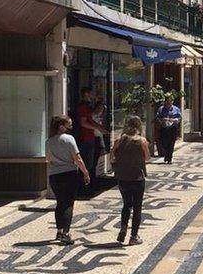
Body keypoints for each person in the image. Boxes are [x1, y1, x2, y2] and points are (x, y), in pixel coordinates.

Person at [46, 115, 91, 245]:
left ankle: (59, 230)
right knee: (68, 204)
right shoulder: (69, 139)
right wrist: (85, 172)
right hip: (69, 174)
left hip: (54, 175)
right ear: (61, 126)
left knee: (60, 203)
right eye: (69, 125)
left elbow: (48, 158)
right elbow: (77, 158)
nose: (71, 127)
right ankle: (66, 233)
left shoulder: (48, 141)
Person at [112, 116, 151, 245]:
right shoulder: (142, 141)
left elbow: (112, 156)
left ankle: (123, 229)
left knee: (126, 205)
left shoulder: (119, 140)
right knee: (137, 207)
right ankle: (133, 237)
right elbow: (147, 158)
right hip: (137, 177)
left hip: (123, 177)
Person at [76, 87, 107, 190]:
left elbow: (90, 121)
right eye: (91, 94)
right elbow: (83, 122)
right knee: (88, 164)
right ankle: (84, 187)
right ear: (86, 94)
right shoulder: (83, 107)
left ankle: (89, 185)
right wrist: (96, 127)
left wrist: (99, 128)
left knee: (91, 163)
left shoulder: (88, 107)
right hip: (85, 138)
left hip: (90, 138)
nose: (93, 97)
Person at [155, 95, 182, 164]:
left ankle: (169, 158)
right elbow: (157, 117)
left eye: (170, 101)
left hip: (172, 128)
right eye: (167, 102)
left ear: (172, 102)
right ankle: (166, 154)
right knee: (164, 143)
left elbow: (179, 118)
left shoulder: (176, 109)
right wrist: (162, 120)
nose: (168, 103)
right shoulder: (161, 109)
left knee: (171, 143)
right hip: (164, 128)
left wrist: (174, 120)